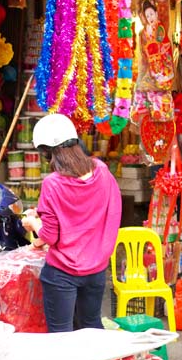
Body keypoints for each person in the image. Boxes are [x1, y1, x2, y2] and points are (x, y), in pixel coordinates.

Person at [21, 114, 121, 332]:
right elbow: (105, 213)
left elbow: (50, 236)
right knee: (91, 327)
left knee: (61, 337)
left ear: (48, 152)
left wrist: (33, 223)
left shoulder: (52, 184)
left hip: (62, 274)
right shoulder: (101, 171)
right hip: (96, 270)